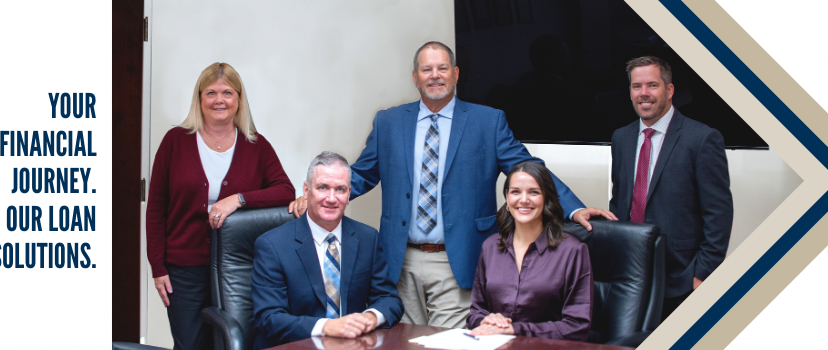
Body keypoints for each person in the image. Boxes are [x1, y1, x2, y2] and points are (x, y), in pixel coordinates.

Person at [288, 41, 614, 328]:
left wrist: (574, 208)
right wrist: (318, 198)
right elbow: (361, 174)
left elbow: (529, 170)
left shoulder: (488, 121)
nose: (435, 75)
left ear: (455, 73)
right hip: (399, 259)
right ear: (415, 77)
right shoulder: (388, 121)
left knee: (448, 342)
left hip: (457, 256)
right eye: (426, 69)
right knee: (404, 341)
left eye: (442, 67)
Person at [146, 62, 296, 350]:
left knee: (233, 343)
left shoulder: (256, 145)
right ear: (199, 99)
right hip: (183, 267)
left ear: (239, 100)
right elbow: (156, 209)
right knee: (190, 344)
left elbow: (284, 191)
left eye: (227, 93)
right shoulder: (175, 141)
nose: (219, 100)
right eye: (211, 93)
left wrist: (238, 199)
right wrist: (158, 267)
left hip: (237, 267)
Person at [609, 56, 733, 319]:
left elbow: (718, 213)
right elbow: (619, 200)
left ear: (670, 89)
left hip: (681, 278)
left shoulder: (701, 139)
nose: (643, 93)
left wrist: (702, 273)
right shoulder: (621, 138)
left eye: (652, 85)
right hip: (630, 274)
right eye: (636, 86)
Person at [253, 152, 403, 349]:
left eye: (340, 189)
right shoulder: (272, 245)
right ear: (306, 191)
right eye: (323, 187)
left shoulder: (367, 238)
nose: (331, 198)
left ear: (349, 194)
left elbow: (389, 299)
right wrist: (329, 327)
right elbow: (269, 319)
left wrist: (370, 318)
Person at [466, 161, 592, 341]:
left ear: (547, 198)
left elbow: (577, 326)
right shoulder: (490, 246)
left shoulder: (573, 251)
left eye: (534, 192)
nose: (523, 199)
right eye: (515, 192)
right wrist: (487, 320)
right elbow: (475, 312)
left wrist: (514, 330)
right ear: (507, 198)